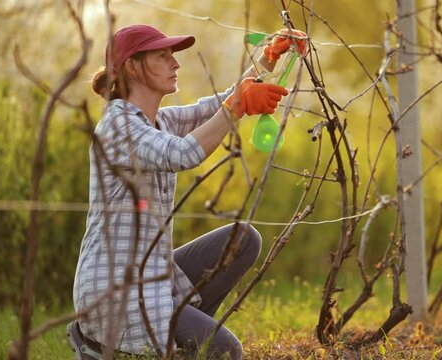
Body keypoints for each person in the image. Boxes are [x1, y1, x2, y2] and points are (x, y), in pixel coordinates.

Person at [66, 24, 306, 359]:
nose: (175, 63)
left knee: (242, 239)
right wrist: (238, 106)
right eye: (162, 56)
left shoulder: (157, 120)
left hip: (149, 276)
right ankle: (96, 345)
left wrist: (267, 61)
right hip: (114, 293)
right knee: (225, 351)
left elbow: (215, 106)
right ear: (133, 67)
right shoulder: (118, 127)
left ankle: (182, 345)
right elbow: (182, 154)